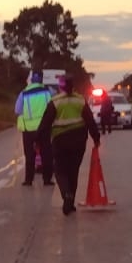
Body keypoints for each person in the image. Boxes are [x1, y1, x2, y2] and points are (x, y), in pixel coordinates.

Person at [38, 74, 100, 215]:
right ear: (73, 86)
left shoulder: (55, 101)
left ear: (60, 86)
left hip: (60, 141)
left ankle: (66, 195)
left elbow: (45, 124)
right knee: (73, 172)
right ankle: (70, 204)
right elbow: (90, 121)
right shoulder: (80, 101)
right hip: (78, 142)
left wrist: (38, 141)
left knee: (60, 171)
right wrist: (96, 138)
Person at [14, 69, 54, 186]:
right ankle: (47, 180)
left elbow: (17, 110)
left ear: (31, 80)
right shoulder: (48, 91)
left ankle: (28, 180)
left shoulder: (24, 93)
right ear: (42, 79)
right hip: (44, 128)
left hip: (29, 129)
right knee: (46, 154)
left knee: (29, 155)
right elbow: (53, 106)